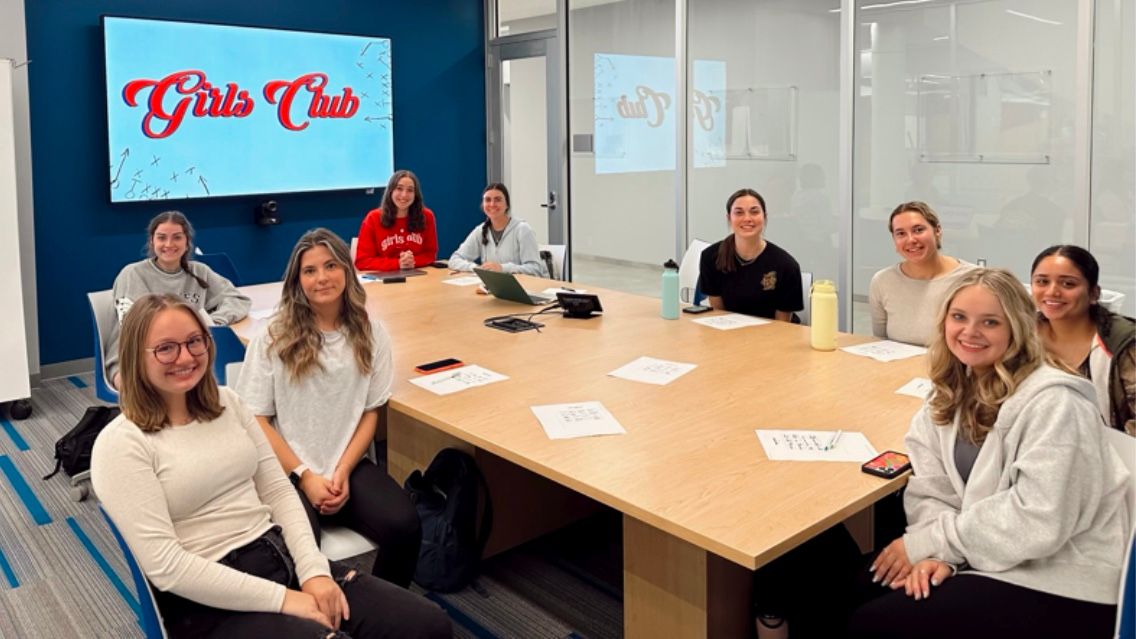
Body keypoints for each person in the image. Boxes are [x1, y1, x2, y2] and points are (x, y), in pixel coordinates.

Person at [90, 293, 451, 639]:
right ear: (137, 356)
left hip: (278, 558)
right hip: (207, 599)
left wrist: (314, 573)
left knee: (426, 624)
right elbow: (167, 566)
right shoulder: (121, 443)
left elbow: (278, 491)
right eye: (166, 348)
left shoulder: (228, 403)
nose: (185, 357)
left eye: (194, 341)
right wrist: (286, 600)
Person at [849, 268, 1130, 639]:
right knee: (841, 590)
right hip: (984, 554)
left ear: (1016, 328)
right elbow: (931, 488)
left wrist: (933, 544)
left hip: (1061, 575)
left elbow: (1039, 519)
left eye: (990, 322)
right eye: (959, 317)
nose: (969, 332)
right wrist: (938, 554)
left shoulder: (1056, 402)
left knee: (875, 622)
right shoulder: (947, 392)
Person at [236, 228, 422, 589]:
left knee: (405, 526)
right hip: (288, 471)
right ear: (297, 280)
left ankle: (382, 608)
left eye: (331, 265)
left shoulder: (372, 333)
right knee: (299, 551)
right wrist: (306, 475)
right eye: (310, 270)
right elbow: (255, 419)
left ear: (347, 271)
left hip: (345, 465)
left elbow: (371, 411)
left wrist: (342, 470)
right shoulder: (273, 335)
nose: (322, 278)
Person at [107, 210, 251, 389]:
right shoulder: (133, 274)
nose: (169, 244)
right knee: (152, 391)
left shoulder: (200, 271)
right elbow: (131, 329)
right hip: (136, 356)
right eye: (161, 238)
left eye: (177, 237)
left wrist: (216, 320)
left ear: (187, 242)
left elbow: (238, 299)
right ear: (152, 241)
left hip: (185, 354)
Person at [1031, 245, 1135, 435]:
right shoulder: (1021, 336)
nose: (1052, 291)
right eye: (1042, 281)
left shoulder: (1123, 343)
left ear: (1094, 293)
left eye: (1068, 284)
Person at [869, 201, 977, 346]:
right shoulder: (882, 281)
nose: (911, 239)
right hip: (899, 368)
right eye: (901, 233)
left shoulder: (974, 279)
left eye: (918, 230)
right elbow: (880, 341)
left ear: (937, 231)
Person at [698, 188, 802, 321]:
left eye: (754, 212)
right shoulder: (711, 257)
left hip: (772, 335)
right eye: (739, 213)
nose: (747, 218)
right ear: (729, 218)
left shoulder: (786, 266)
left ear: (764, 217)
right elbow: (720, 315)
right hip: (730, 332)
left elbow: (783, 326)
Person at [447, 183, 548, 277]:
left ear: (507, 205)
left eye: (498, 199)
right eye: (487, 200)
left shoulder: (522, 229)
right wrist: (476, 268)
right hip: (496, 288)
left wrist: (503, 268)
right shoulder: (481, 230)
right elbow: (454, 259)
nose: (492, 204)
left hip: (524, 289)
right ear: (483, 205)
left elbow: (536, 269)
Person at [354, 170, 438, 272]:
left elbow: (430, 254)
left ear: (416, 195)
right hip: (384, 281)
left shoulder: (427, 216)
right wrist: (398, 263)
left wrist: (412, 261)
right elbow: (362, 261)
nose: (404, 195)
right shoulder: (373, 218)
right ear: (391, 191)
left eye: (410, 190)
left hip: (417, 279)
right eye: (399, 188)